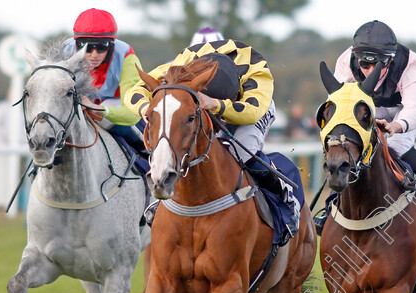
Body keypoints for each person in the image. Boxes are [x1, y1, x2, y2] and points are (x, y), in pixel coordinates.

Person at [126, 37, 300, 237]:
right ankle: (162, 198)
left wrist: (215, 105)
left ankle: (286, 202)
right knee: (186, 147)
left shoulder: (257, 72)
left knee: (243, 152)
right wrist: (148, 111)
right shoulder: (182, 64)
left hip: (252, 108)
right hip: (196, 102)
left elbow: (252, 112)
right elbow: (134, 91)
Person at [333, 20, 416, 237]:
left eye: (378, 66)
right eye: (365, 65)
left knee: (395, 145)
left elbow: (415, 108)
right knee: (353, 144)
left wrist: (396, 125)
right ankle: (332, 204)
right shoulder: (346, 61)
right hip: (372, 105)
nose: (371, 72)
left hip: (409, 105)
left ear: (390, 60)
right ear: (357, 59)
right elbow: (342, 102)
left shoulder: (411, 64)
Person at [65, 7, 144, 145]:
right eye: (87, 47)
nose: (94, 54)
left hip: (115, 102)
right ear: (76, 44)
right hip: (80, 100)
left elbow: (132, 113)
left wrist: (100, 110)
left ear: (112, 45)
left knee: (96, 115)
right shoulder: (65, 51)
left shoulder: (127, 57)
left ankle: (142, 148)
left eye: (102, 46)